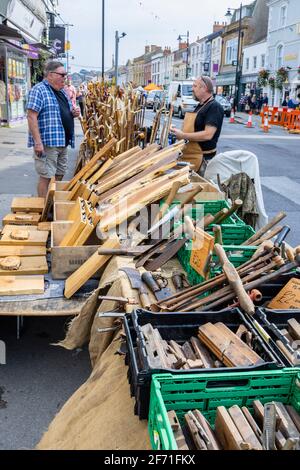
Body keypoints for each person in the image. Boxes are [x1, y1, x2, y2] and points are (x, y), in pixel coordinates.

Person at [27, 61, 80, 197]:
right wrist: (38, 143)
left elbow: (64, 111)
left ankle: (51, 203)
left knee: (60, 173)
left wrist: (73, 113)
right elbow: (31, 116)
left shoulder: (62, 91)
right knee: (46, 176)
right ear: (50, 75)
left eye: (65, 75)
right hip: (47, 143)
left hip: (63, 141)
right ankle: (43, 209)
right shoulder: (38, 90)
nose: (65, 78)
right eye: (62, 74)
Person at [170, 76, 224, 176]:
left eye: (195, 86)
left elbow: (208, 134)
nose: (192, 89)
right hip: (192, 155)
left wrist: (183, 135)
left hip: (203, 159)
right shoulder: (200, 105)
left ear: (204, 88)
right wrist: (177, 132)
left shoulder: (214, 107)